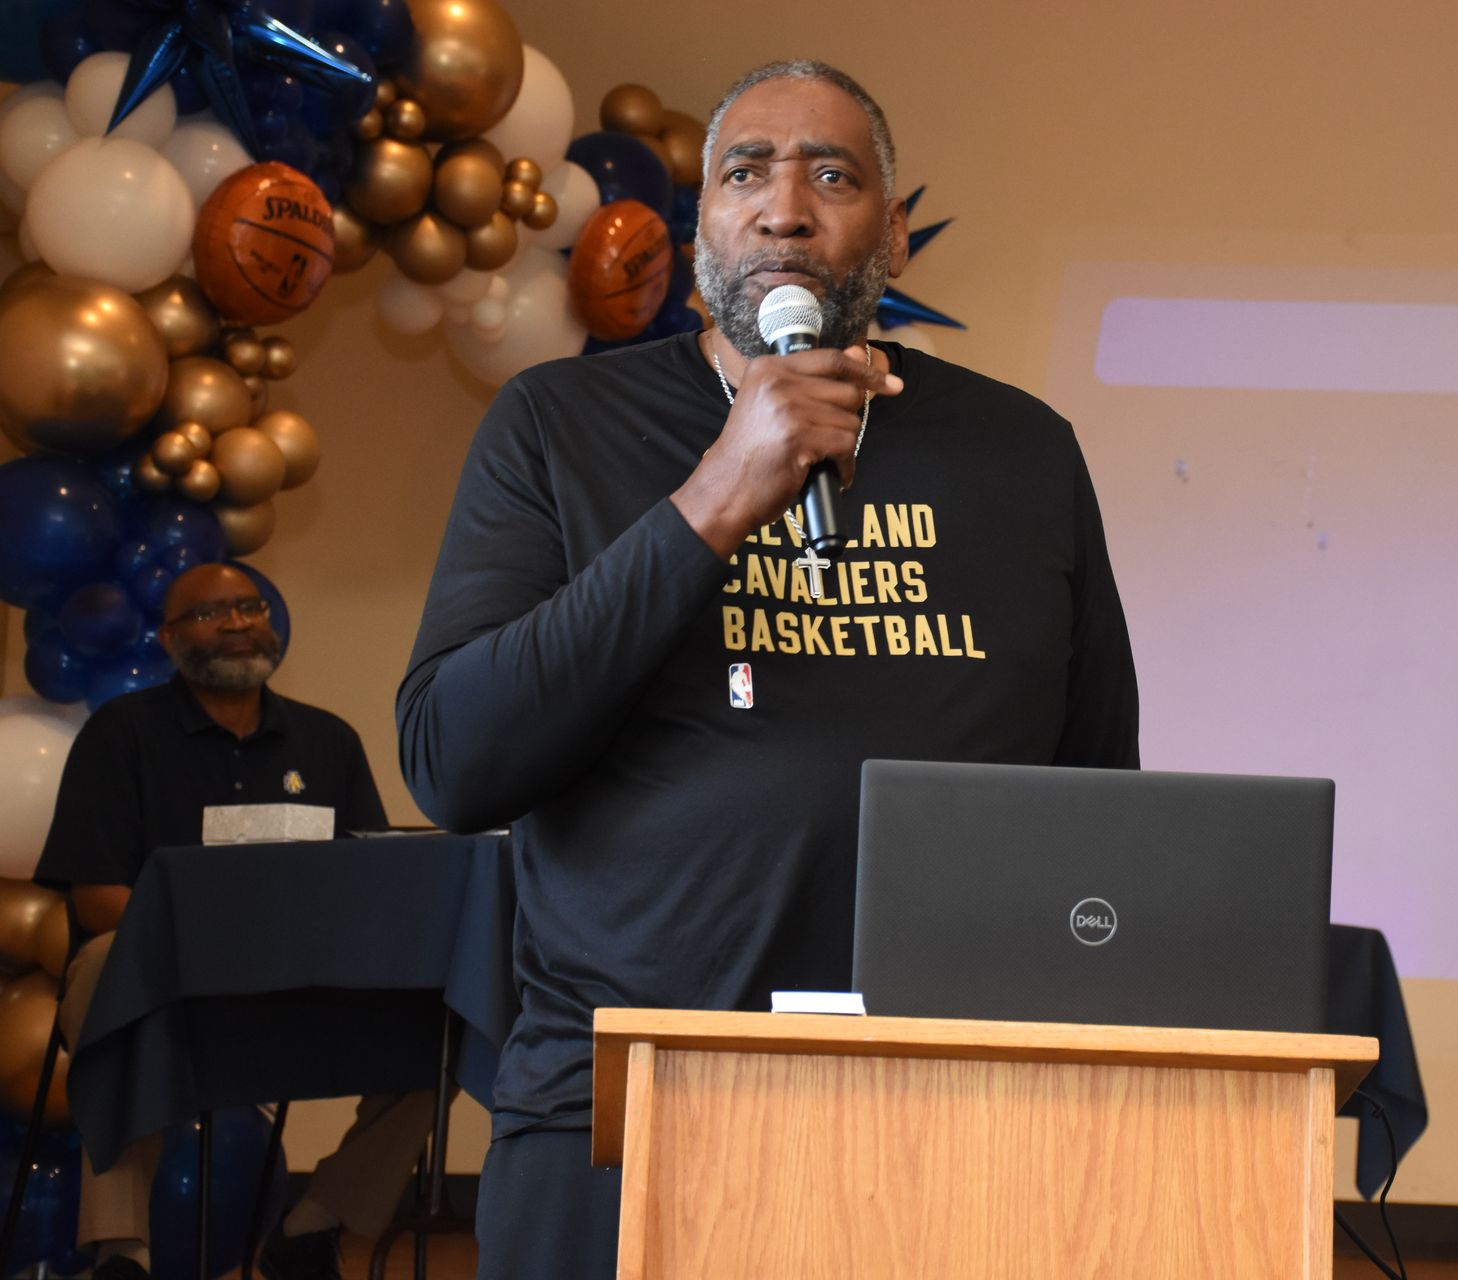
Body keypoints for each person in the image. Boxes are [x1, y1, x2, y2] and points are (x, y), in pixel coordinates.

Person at [398, 59, 1140, 1276]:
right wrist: (716, 495)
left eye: (833, 177)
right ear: (703, 227)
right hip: (623, 1107)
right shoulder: (554, 426)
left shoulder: (1024, 452)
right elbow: (455, 761)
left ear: (893, 239)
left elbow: (1096, 792)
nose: (785, 209)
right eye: (746, 173)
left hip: (948, 1108)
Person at [35, 563, 431, 1280]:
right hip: (168, 988)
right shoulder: (122, 735)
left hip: (304, 990)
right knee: (101, 967)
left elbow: (366, 879)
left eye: (251, 606)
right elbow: (96, 900)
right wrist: (211, 942)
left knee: (445, 1014)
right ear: (169, 638)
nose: (239, 622)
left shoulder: (327, 740)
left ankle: (315, 1223)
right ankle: (122, 1252)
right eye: (211, 612)